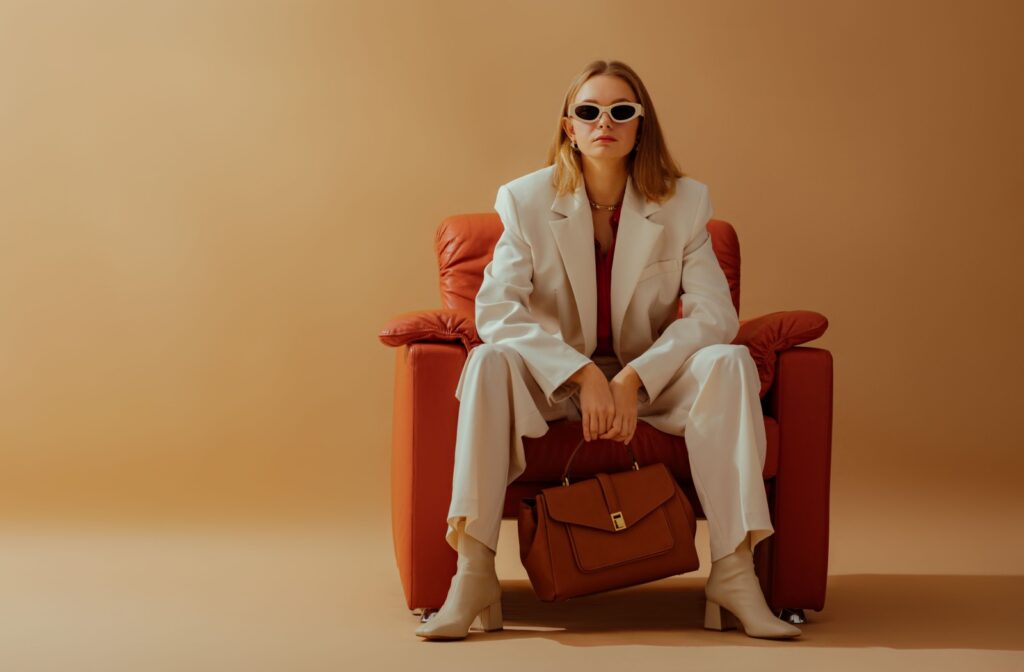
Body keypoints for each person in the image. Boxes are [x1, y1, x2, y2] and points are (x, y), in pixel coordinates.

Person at [415, 60, 801, 641]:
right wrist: (579, 375)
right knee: (488, 360)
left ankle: (734, 571)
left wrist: (633, 378)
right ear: (569, 127)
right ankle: (473, 573)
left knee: (730, 360)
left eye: (621, 111)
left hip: (650, 383)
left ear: (640, 125)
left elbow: (714, 315)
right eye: (589, 112)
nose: (605, 123)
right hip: (553, 385)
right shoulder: (523, 200)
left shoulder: (686, 203)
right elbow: (496, 312)